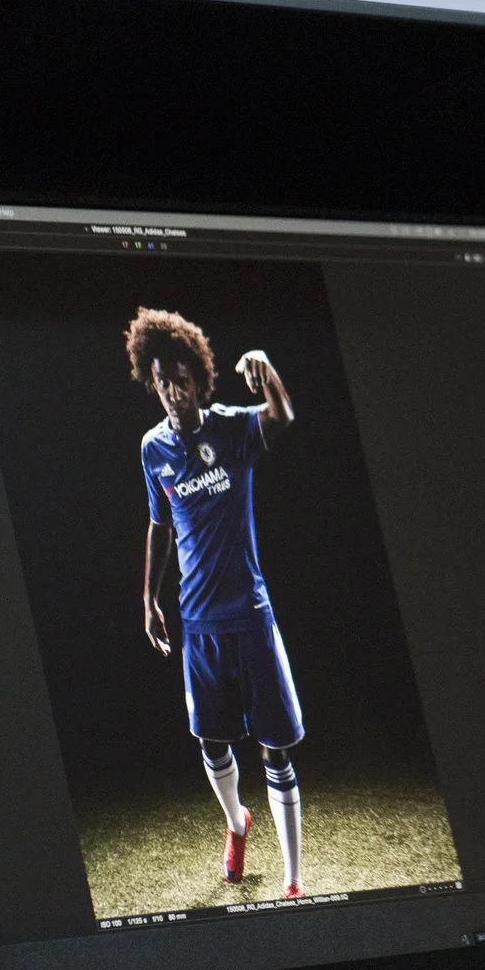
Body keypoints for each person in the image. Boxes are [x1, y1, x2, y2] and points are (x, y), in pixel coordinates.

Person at [129, 308, 306, 901]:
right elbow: (161, 525)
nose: (172, 393)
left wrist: (267, 368)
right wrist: (149, 598)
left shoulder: (231, 429)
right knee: (211, 741)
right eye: (161, 383)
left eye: (181, 380)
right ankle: (236, 823)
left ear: (201, 380)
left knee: (274, 746)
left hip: (250, 617)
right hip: (197, 622)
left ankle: (292, 880)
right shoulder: (153, 450)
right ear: (151, 384)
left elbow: (282, 415)